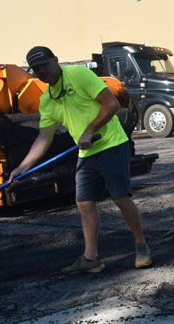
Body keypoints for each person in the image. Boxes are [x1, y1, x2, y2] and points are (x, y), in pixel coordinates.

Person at [10, 46, 151, 273]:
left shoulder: (79, 75)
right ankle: (90, 258)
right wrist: (22, 167)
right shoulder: (47, 100)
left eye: (44, 64)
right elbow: (44, 138)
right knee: (84, 202)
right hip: (86, 152)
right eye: (36, 69)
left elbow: (112, 104)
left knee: (120, 197)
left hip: (111, 143)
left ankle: (141, 245)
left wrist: (89, 129)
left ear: (56, 60)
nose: (42, 71)